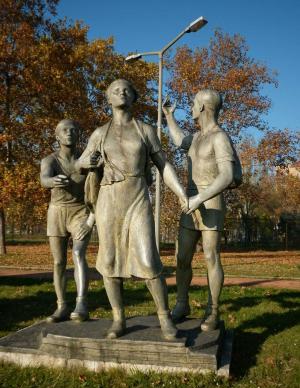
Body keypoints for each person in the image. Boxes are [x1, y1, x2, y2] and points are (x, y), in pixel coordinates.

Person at [77, 79, 188, 340]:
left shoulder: (145, 130)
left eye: (126, 88)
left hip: (137, 196)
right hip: (108, 199)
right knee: (109, 261)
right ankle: (119, 318)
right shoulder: (99, 133)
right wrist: (86, 161)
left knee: (149, 260)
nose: (121, 91)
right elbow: (81, 162)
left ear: (134, 96)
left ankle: (164, 317)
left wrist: (182, 193)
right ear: (108, 98)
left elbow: (164, 165)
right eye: (114, 89)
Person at [163, 89, 241, 331]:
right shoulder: (196, 137)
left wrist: (200, 199)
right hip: (191, 203)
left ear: (204, 108)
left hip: (211, 203)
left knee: (210, 257)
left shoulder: (220, 137)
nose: (192, 107)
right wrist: (169, 116)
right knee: (182, 258)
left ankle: (213, 310)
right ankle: (182, 304)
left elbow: (228, 176)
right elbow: (179, 140)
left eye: (194, 103)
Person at [40, 119, 95, 323]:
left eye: (73, 129)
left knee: (78, 253)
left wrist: (90, 220)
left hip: (80, 211)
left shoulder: (87, 159)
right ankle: (62, 305)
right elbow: (44, 179)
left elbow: (98, 191)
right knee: (58, 261)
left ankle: (81, 303)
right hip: (56, 213)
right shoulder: (50, 161)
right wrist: (52, 181)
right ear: (57, 136)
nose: (69, 133)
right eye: (64, 130)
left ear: (79, 134)